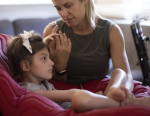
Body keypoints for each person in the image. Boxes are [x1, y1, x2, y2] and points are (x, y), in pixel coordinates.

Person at [43, 0, 134, 102]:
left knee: (120, 73)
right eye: (58, 8)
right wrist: (60, 66)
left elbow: (126, 74)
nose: (63, 13)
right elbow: (54, 83)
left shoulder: (111, 31)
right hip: (69, 92)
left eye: (68, 5)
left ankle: (111, 98)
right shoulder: (52, 32)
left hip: (103, 88)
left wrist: (125, 91)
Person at [6, 30, 150, 112]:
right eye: (44, 58)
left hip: (90, 100)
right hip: (81, 105)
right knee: (78, 97)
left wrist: (97, 95)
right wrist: (92, 96)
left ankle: (110, 94)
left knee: (120, 72)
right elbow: (70, 94)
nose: (52, 62)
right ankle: (129, 102)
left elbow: (33, 54)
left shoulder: (42, 82)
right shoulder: (29, 91)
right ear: (25, 66)